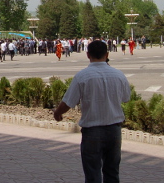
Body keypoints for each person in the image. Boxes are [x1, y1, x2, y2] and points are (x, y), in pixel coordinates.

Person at [53, 40, 131, 183]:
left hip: (92, 131)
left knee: (92, 173)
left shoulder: (82, 76)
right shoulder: (119, 75)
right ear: (107, 54)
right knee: (112, 172)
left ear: (88, 54)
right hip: (114, 129)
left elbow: (69, 101)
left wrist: (58, 113)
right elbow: (126, 98)